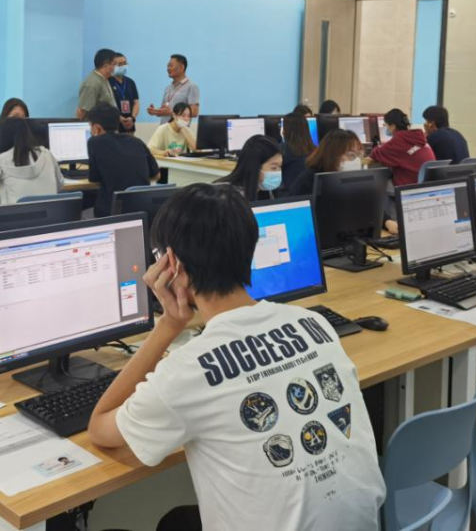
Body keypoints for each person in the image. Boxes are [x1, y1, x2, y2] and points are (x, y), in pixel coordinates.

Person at [88, 183, 385, 531]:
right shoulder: (313, 323)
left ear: (172, 266)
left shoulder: (187, 370)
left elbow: (100, 427)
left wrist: (169, 325)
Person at [86, 104, 159, 217]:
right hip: (142, 211)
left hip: (111, 213)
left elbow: (94, 178)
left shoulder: (94, 142)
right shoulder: (137, 141)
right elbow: (157, 175)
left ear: (96, 128)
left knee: (81, 211)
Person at [0, 117, 63, 205]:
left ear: (2, 139)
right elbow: (59, 185)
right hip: (50, 212)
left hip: (15, 213)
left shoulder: (0, 161)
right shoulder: (47, 154)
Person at [368, 109, 435, 187]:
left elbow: (375, 154)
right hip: (424, 185)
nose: (386, 128)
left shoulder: (399, 141)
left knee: (373, 184)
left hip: (408, 187)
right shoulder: (416, 137)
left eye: (386, 125)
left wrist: (377, 147)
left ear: (393, 126)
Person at [290, 128, 364, 196]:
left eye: (359, 155)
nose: (356, 160)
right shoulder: (310, 180)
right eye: (351, 155)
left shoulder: (343, 179)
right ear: (333, 155)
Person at [217, 135, 282, 202]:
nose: (279, 172)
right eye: (274, 168)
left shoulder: (266, 191)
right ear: (254, 167)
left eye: (280, 166)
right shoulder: (226, 196)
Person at [147, 54, 200, 123]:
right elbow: (165, 111)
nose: (168, 69)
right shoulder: (168, 88)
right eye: (167, 66)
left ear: (182, 67)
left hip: (179, 129)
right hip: (164, 128)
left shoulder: (192, 86)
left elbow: (194, 112)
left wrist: (171, 112)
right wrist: (155, 111)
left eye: (171, 66)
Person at [77, 49, 119, 120]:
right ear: (105, 65)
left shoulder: (104, 79)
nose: (117, 67)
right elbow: (82, 112)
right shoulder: (92, 83)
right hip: (97, 126)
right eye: (114, 64)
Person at [279, 113, 315, 190]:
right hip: (307, 194)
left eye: (283, 127)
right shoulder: (314, 150)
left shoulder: (283, 150)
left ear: (287, 130)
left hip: (289, 194)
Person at [109, 52, 140, 134]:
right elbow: (106, 105)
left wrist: (132, 118)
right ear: (112, 65)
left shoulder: (130, 82)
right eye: (120, 64)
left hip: (129, 125)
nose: (123, 66)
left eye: (125, 63)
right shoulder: (107, 82)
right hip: (114, 126)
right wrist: (119, 118)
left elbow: (136, 103)